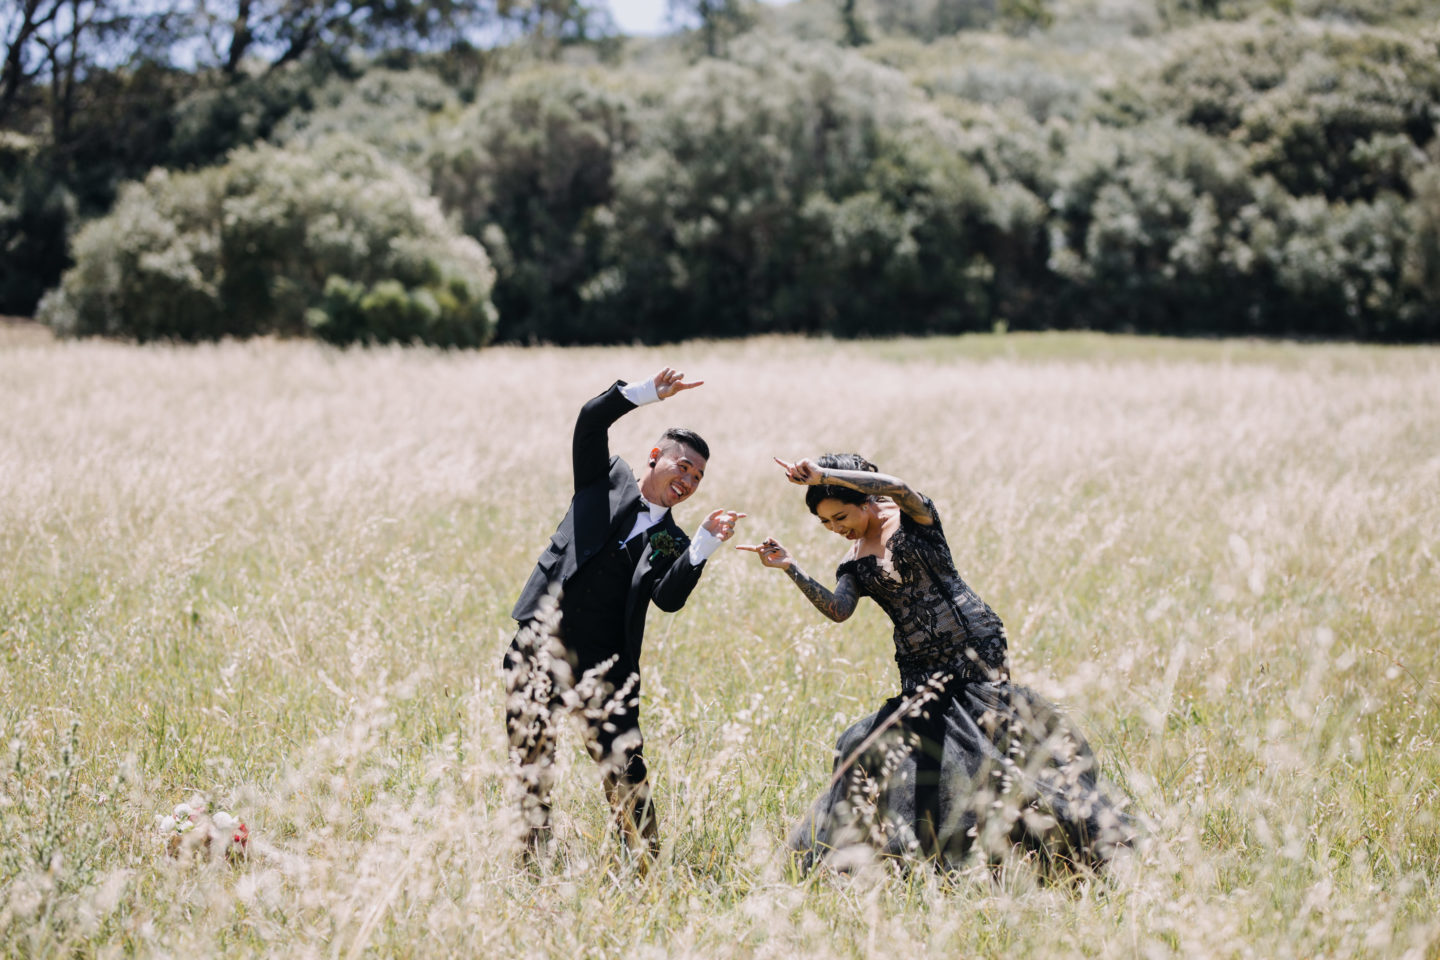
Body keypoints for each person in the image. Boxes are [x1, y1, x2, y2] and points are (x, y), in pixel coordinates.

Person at [738, 453, 1131, 873]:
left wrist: (824, 475)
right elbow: (838, 609)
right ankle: (935, 853)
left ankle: (1043, 843)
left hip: (973, 645)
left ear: (864, 498)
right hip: (917, 664)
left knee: (983, 743)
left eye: (840, 515)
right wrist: (789, 567)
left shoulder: (912, 517)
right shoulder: (852, 560)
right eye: (826, 523)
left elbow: (899, 487)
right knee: (899, 749)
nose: (836, 528)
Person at [504, 367, 745, 863]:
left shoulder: (673, 541)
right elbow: (590, 422)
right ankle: (533, 862)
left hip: (608, 667)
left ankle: (644, 864)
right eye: (683, 466)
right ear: (654, 457)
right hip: (539, 643)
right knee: (532, 763)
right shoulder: (603, 478)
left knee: (626, 770)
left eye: (698, 477)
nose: (689, 480)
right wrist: (644, 394)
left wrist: (702, 545)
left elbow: (669, 598)